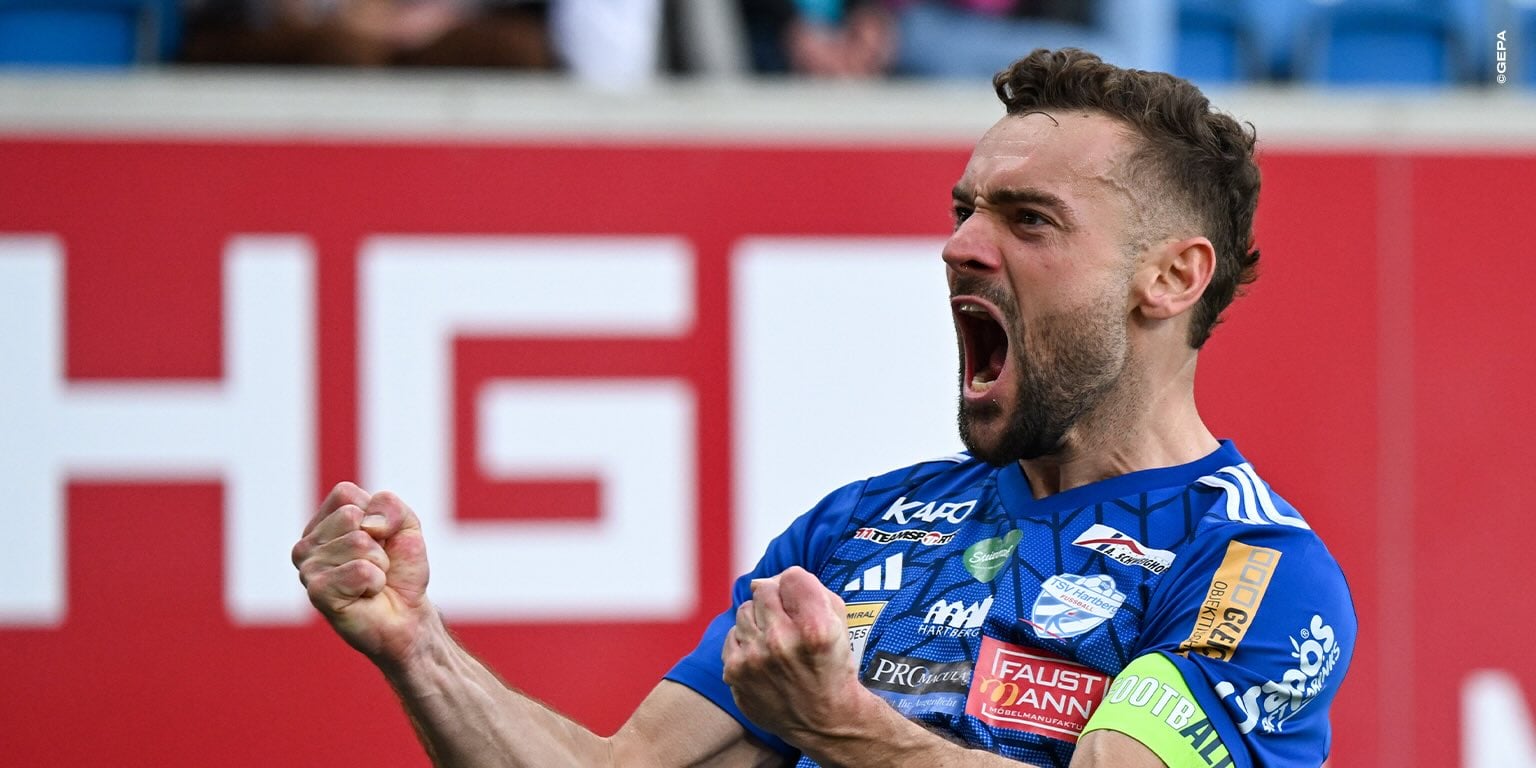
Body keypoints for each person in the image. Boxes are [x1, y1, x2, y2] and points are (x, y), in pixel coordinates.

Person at [292, 47, 1355, 767]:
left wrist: (846, 727)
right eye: (964, 210)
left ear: (1170, 278)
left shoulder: (1250, 570)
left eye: (1029, 219)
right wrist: (418, 647)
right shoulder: (862, 528)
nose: (960, 245)